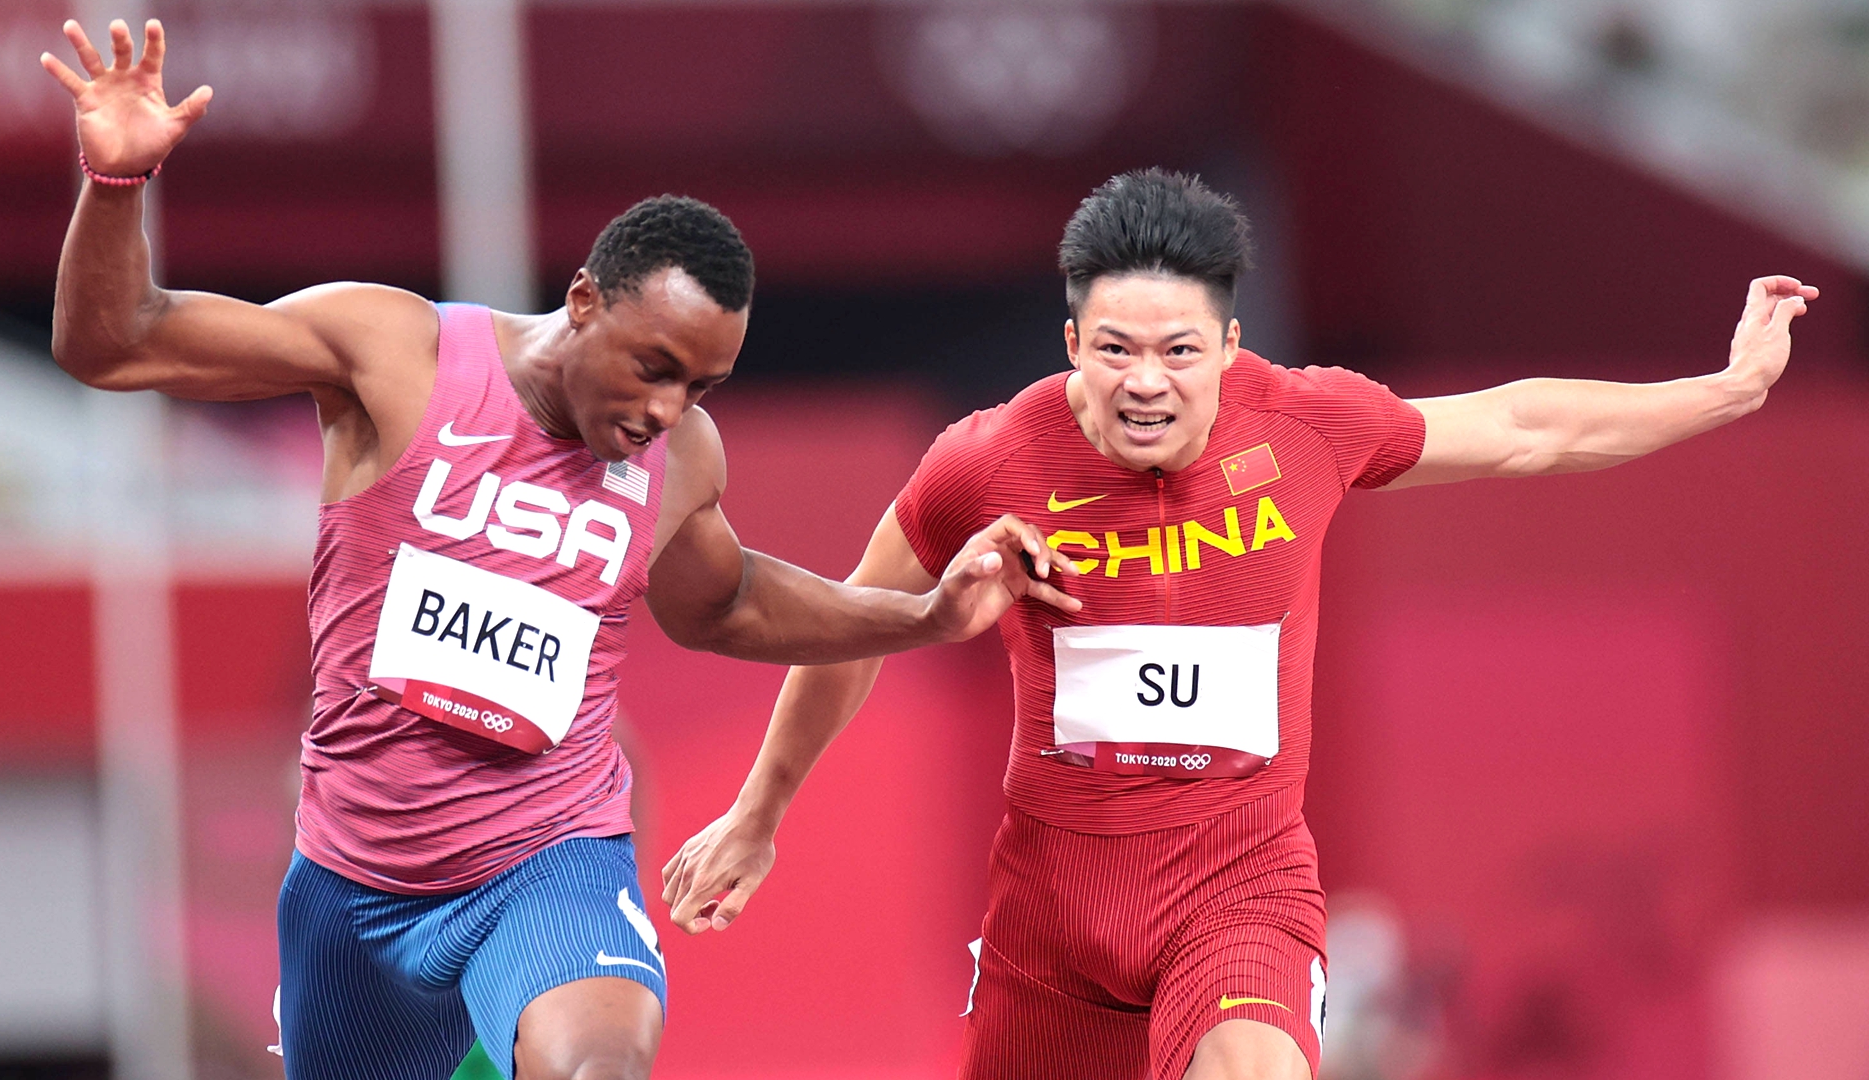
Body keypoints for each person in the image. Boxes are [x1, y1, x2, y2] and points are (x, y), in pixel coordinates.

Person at [39, 19, 1080, 1080]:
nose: (667, 409)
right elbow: (114, 341)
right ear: (583, 299)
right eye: (654, 365)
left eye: (701, 387)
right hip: (352, 884)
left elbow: (721, 606)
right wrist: (116, 187)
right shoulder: (394, 356)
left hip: (546, 862)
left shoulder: (680, 459)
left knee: (600, 1069)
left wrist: (925, 618)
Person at [661, 169, 1817, 1080]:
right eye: (1114, 350)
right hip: (1051, 915)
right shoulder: (987, 459)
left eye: (1177, 351)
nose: (1145, 383)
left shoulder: (1309, 423)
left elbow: (1526, 425)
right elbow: (856, 626)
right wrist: (759, 815)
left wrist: (1720, 391)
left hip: (1239, 882)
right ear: (1072, 345)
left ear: (1227, 345)